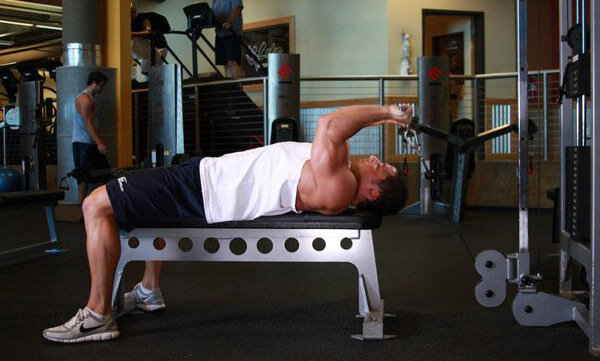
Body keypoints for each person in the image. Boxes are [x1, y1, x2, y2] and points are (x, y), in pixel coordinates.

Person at [42, 104, 413, 343]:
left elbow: (331, 124)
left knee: (95, 205)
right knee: (138, 207)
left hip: (203, 190)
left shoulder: (339, 186)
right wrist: (384, 116)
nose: (378, 160)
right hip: (205, 176)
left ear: (374, 193)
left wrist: (386, 113)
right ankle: (148, 289)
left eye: (384, 169)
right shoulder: (342, 170)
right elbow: (334, 132)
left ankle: (97, 314)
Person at [72, 71, 109, 204]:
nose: (102, 89)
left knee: (104, 174)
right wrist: (99, 143)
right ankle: (81, 209)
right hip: (84, 143)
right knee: (84, 177)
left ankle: (98, 205)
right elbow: (88, 123)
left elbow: (94, 124)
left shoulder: (92, 99)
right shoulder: (85, 99)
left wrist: (99, 141)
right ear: (93, 83)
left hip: (91, 142)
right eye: (101, 85)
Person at [131, 4, 169, 78]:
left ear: (135, 13)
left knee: (150, 70)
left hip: (159, 48)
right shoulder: (130, 23)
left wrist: (132, 33)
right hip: (151, 50)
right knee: (147, 70)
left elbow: (148, 32)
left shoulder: (144, 18)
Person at [212, 0, 244, 79]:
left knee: (232, 62)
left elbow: (238, 7)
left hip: (232, 32)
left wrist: (229, 22)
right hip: (220, 33)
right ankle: (231, 88)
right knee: (225, 64)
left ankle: (238, 89)